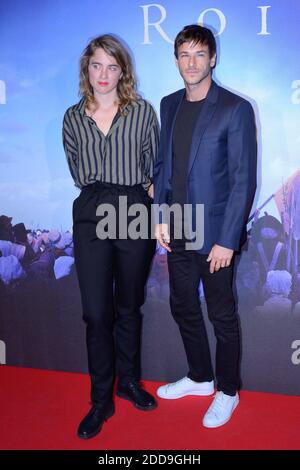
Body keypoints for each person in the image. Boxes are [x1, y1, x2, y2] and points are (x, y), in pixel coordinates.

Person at [154, 24, 257, 428]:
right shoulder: (168, 104)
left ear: (213, 58)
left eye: (199, 54)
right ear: (176, 60)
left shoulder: (235, 108)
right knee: (182, 306)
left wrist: (227, 240)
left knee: (222, 315)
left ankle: (227, 390)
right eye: (184, 54)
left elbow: (242, 179)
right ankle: (200, 375)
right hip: (178, 228)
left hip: (215, 236)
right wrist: (159, 215)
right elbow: (165, 166)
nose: (191, 62)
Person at [62, 34, 159, 439]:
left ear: (124, 71)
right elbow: (76, 171)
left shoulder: (142, 112)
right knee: (97, 313)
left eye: (112, 66)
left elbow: (155, 173)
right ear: (87, 69)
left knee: (130, 306)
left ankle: (129, 381)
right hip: (91, 208)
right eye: (97, 65)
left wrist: (159, 219)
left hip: (135, 206)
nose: (104, 74)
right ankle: (100, 401)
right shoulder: (72, 117)